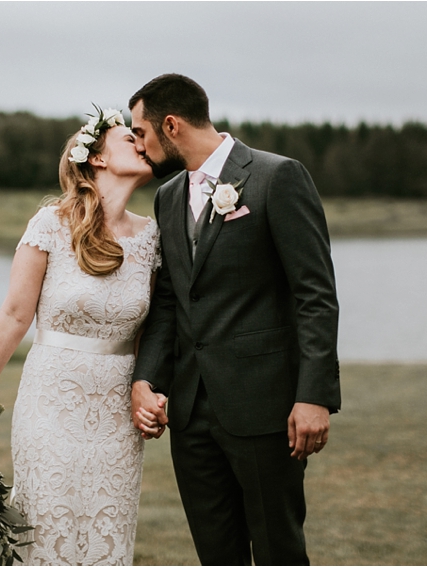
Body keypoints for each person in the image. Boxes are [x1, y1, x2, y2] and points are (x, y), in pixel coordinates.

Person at [129, 74, 341, 565]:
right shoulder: (168, 197)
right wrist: (146, 378)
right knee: (216, 555)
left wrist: (313, 396)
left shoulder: (277, 176)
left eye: (141, 133)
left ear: (171, 125)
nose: (140, 147)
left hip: (265, 408)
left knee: (278, 552)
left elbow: (316, 295)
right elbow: (168, 302)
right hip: (191, 414)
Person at [0, 107, 164, 565]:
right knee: (49, 529)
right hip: (52, 402)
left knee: (108, 530)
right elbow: (14, 315)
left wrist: (149, 390)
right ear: (98, 159)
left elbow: (150, 331)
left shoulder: (151, 237)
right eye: (127, 137)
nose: (141, 141)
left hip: (115, 411)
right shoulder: (51, 223)